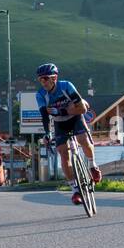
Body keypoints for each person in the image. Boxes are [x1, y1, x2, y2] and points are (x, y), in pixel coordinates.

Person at [35, 62, 100, 206]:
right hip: (59, 124)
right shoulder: (40, 94)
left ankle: (92, 166)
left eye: (45, 78)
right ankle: (75, 190)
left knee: (83, 139)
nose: (43, 82)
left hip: (75, 118)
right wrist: (47, 133)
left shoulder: (66, 86)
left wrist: (62, 111)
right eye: (40, 79)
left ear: (54, 78)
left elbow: (82, 109)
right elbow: (45, 116)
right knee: (63, 154)